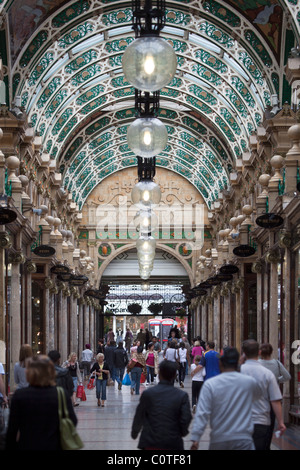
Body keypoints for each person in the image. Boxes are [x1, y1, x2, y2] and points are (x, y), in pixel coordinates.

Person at [190, 347, 261, 451]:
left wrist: (196, 439)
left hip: (219, 439)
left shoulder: (210, 384)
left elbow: (202, 413)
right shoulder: (249, 382)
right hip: (243, 439)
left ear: (221, 363)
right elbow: (258, 399)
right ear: (237, 363)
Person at [5, 355, 77, 450]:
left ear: (30, 373)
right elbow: (72, 420)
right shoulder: (60, 394)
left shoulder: (20, 396)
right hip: (54, 444)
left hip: (28, 445)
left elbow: (12, 429)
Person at [131, 360, 192, 450]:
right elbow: (186, 417)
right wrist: (181, 432)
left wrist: (135, 432)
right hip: (173, 442)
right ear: (175, 375)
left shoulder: (148, 394)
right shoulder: (182, 396)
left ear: (159, 374)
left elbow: (139, 415)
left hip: (150, 442)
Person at [240, 339, 286, 450]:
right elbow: (275, 400)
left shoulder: (237, 371)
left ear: (244, 353)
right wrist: (280, 422)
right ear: (259, 352)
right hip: (261, 421)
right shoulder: (267, 374)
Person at [258, 342, 291, 450]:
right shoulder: (276, 363)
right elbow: (287, 376)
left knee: (259, 424)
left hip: (259, 399)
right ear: (272, 352)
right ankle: (267, 445)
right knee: (270, 424)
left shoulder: (257, 364)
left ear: (260, 352)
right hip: (273, 398)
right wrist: (277, 380)